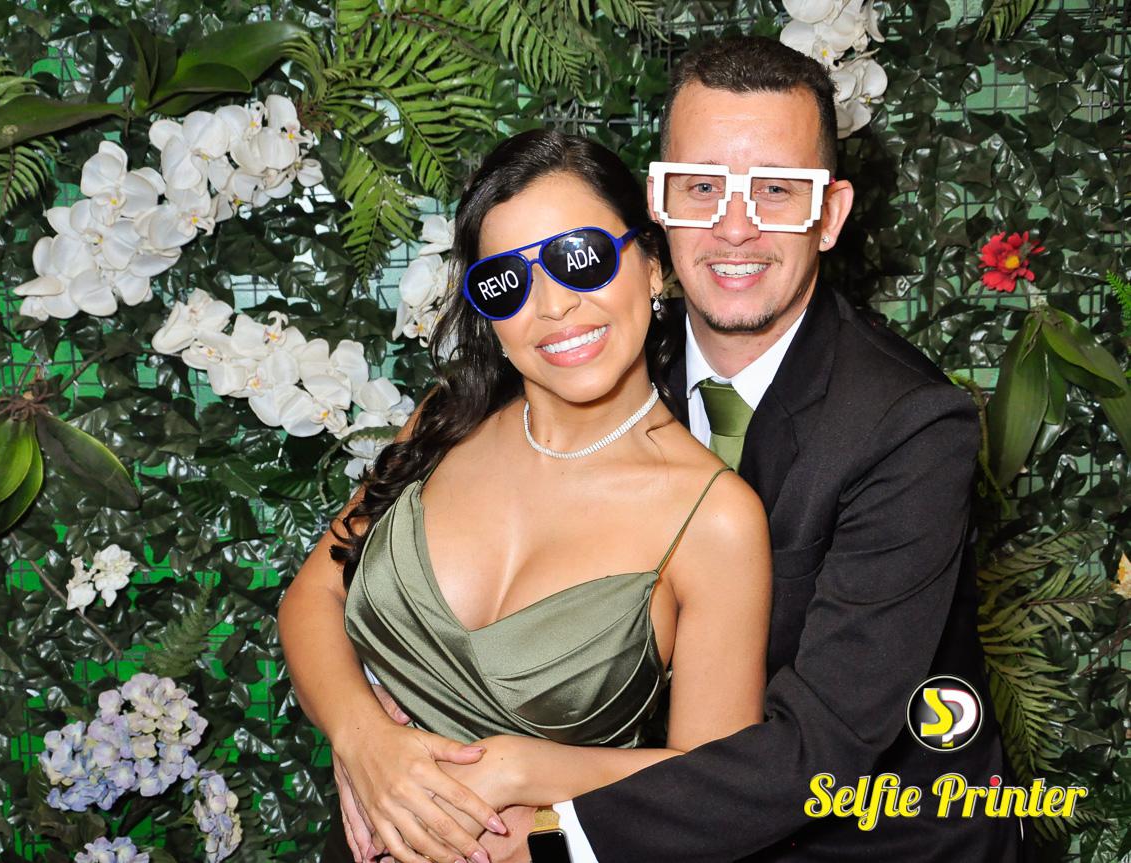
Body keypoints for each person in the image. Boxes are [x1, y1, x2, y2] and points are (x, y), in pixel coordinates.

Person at [318, 35, 1021, 863]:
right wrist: (372, 739)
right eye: (703, 186)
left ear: (829, 215)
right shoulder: (591, 347)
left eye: (775, 190)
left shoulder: (911, 426)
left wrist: (535, 809)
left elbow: (817, 747)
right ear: (659, 205)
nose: (735, 227)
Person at [278, 129, 773, 863]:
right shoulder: (446, 419)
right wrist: (363, 741)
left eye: (581, 259)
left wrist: (527, 776)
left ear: (650, 263)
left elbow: (716, 787)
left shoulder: (716, 518)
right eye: (506, 282)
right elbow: (311, 595)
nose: (552, 307)